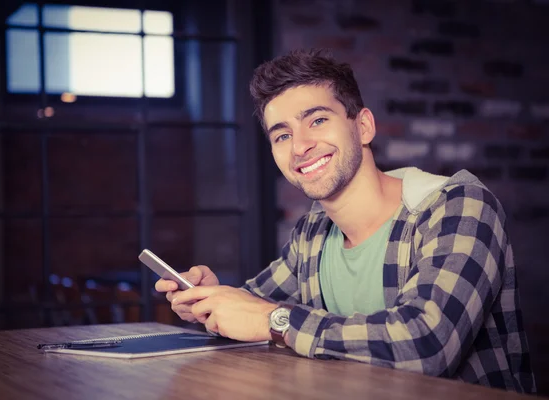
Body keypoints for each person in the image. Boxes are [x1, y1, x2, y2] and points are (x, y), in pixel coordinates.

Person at [155, 48, 535, 393]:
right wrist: (212, 300)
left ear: (364, 126)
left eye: (317, 120)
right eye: (282, 135)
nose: (300, 146)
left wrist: (275, 321)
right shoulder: (314, 230)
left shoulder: (458, 206)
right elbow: (254, 307)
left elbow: (427, 343)